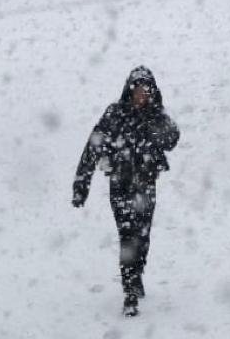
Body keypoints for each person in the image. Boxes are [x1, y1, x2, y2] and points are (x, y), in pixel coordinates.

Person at [72, 66, 180, 317]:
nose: (142, 95)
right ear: (129, 91)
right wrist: (81, 185)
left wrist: (156, 128)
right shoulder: (114, 114)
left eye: (146, 90)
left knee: (142, 237)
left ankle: (137, 272)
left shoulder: (156, 115)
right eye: (137, 90)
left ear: (152, 92)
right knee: (128, 237)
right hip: (120, 186)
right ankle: (129, 291)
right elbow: (92, 147)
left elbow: (173, 139)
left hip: (147, 186)